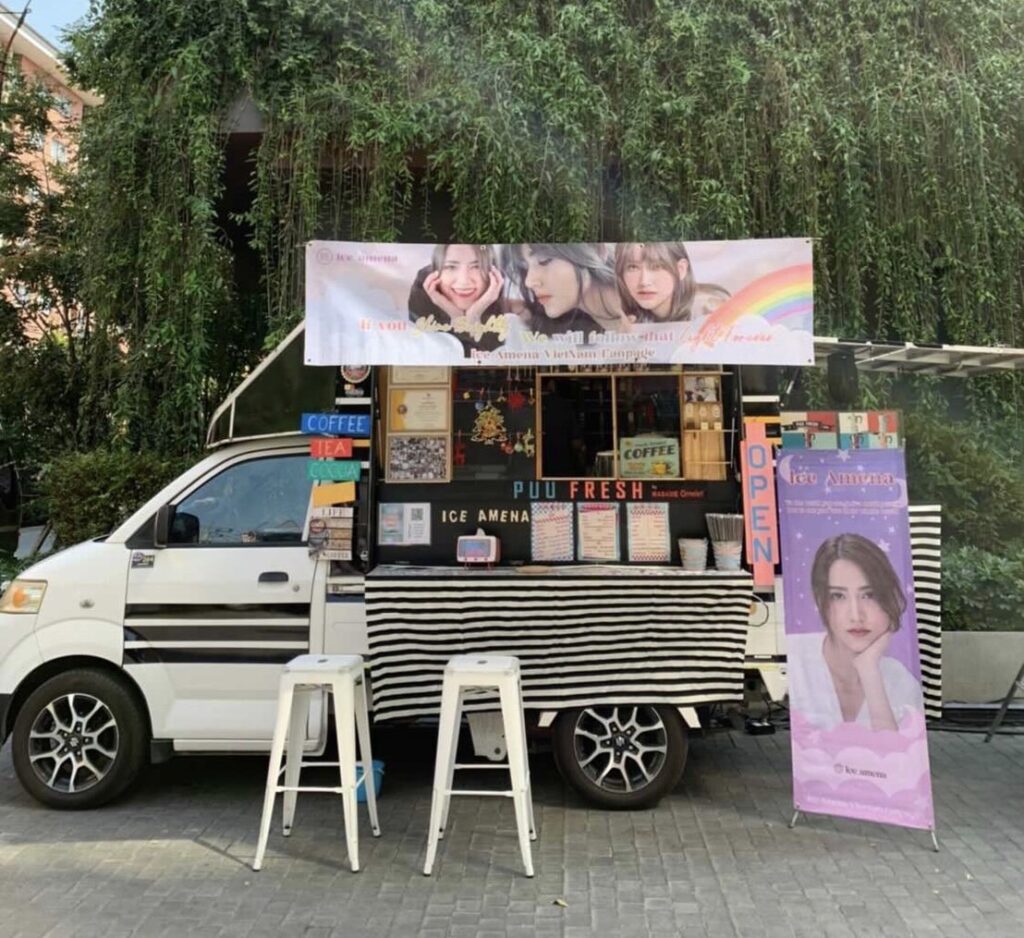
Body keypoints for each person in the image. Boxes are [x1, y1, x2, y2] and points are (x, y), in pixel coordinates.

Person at [787, 533, 922, 731]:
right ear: (819, 600)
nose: (856, 615)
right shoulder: (794, 659)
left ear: (888, 599)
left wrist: (869, 671)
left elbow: (897, 750)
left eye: (869, 595)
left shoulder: (901, 682)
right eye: (838, 596)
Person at [501, 243, 629, 339]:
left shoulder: (637, 311)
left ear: (595, 250)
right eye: (525, 267)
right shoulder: (574, 331)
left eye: (545, 260)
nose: (529, 282)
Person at [408, 244, 505, 353]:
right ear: (436, 273)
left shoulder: (499, 288)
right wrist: (455, 315)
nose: (464, 281)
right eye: (451, 267)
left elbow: (492, 355)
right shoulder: (423, 290)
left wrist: (474, 316)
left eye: (477, 267)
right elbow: (434, 354)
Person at [613, 241, 730, 323]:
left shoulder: (706, 307)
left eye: (657, 266)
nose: (644, 281)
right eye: (633, 267)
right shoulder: (626, 315)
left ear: (681, 270)